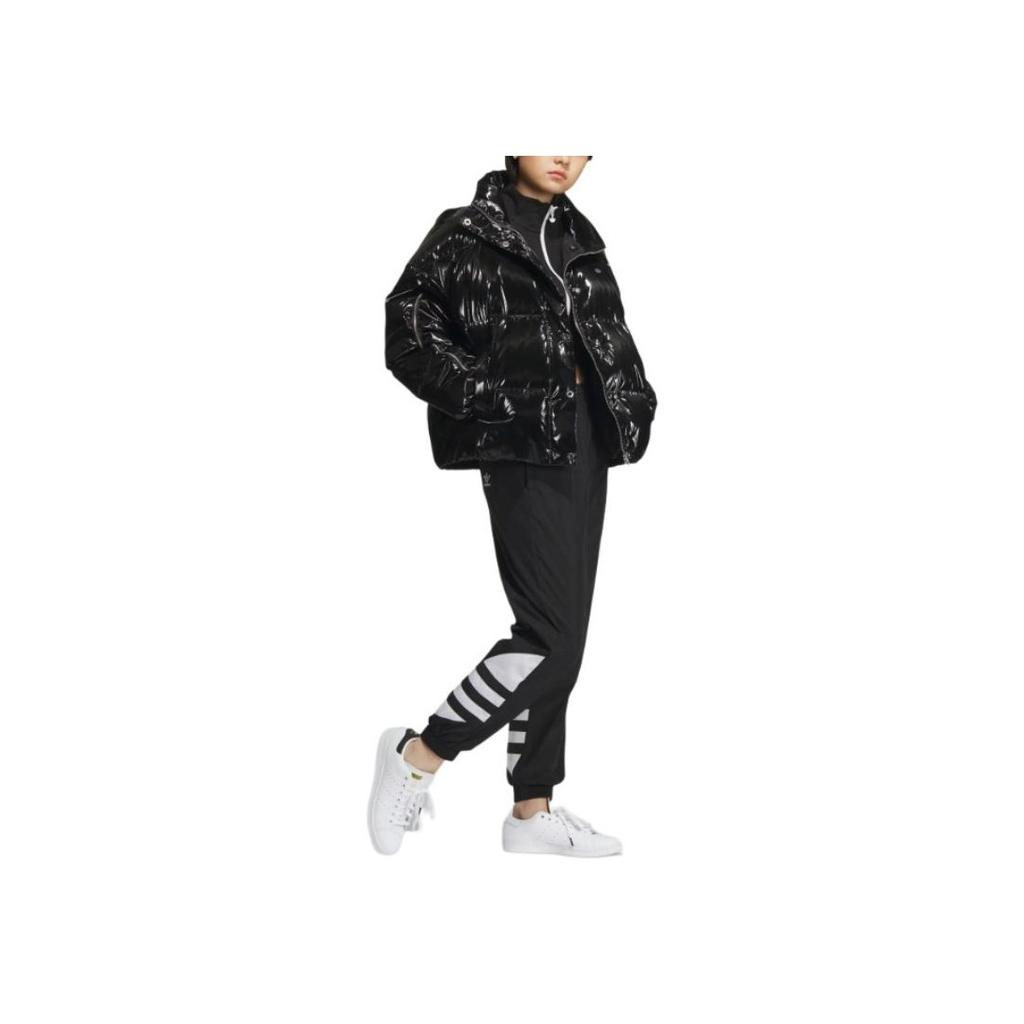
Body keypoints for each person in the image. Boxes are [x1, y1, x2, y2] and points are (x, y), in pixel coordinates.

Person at [368, 156, 658, 857]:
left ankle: (531, 811)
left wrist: (634, 398)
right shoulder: (468, 231)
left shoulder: (580, 238)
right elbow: (406, 332)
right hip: (521, 440)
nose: (564, 156)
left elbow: (607, 332)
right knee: (549, 641)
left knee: (563, 641)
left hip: (587, 439)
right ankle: (419, 753)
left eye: (580, 144)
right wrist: (486, 396)